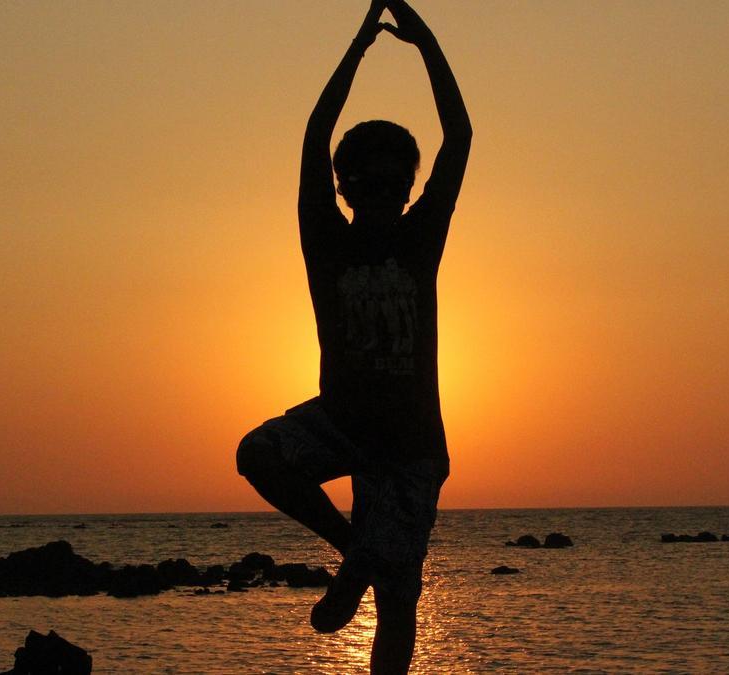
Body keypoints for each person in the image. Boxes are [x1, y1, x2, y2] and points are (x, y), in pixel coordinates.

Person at [236, 0, 470, 671]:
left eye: (389, 182)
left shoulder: (420, 237)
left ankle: (368, 555)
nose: (376, 192)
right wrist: (361, 46)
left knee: (398, 605)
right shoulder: (326, 241)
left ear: (404, 189)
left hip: (411, 448)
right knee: (259, 452)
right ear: (345, 189)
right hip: (341, 422)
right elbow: (315, 137)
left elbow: (459, 137)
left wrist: (424, 42)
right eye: (363, 181)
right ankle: (353, 549)